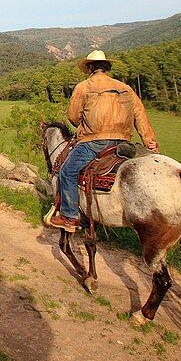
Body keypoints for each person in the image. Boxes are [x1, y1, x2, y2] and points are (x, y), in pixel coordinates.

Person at [45, 50, 159, 232]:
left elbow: (73, 117)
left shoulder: (83, 86)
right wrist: (150, 141)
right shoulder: (126, 88)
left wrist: (86, 124)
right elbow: (140, 115)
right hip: (122, 143)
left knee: (67, 171)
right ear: (107, 68)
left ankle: (69, 216)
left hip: (94, 142)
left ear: (89, 68)